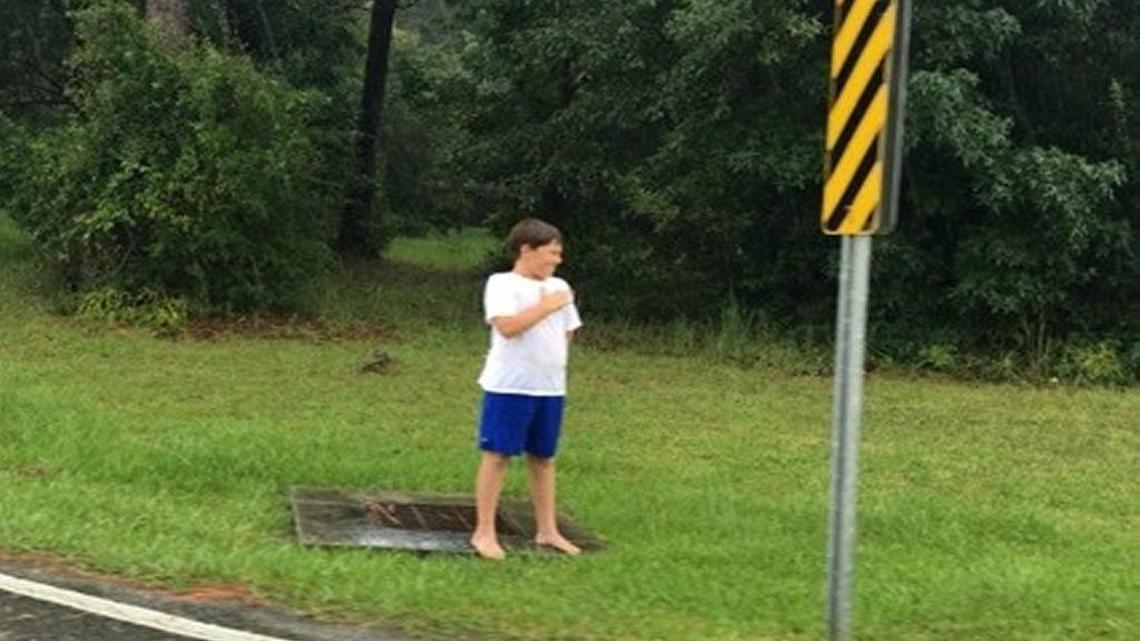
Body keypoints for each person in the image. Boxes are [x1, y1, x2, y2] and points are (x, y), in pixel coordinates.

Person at [470, 218, 583, 561]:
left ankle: (547, 530)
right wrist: (547, 305)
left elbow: (568, 331)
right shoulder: (502, 284)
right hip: (509, 386)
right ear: (526, 250)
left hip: (548, 388)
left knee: (544, 457)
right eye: (551, 253)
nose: (556, 260)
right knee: (498, 454)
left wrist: (557, 309)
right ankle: (484, 532)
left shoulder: (560, 285)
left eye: (559, 254)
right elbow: (507, 327)